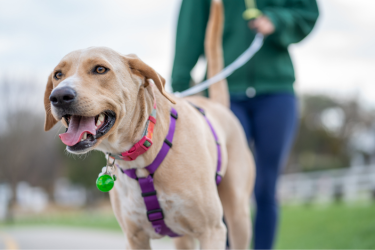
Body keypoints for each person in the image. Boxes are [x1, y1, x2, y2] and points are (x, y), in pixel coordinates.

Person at [171, 0, 319, 249]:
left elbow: (308, 12)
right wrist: (181, 88)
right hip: (221, 90)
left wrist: (278, 20)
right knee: (224, 185)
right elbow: (189, 31)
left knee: (266, 186)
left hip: (276, 91)